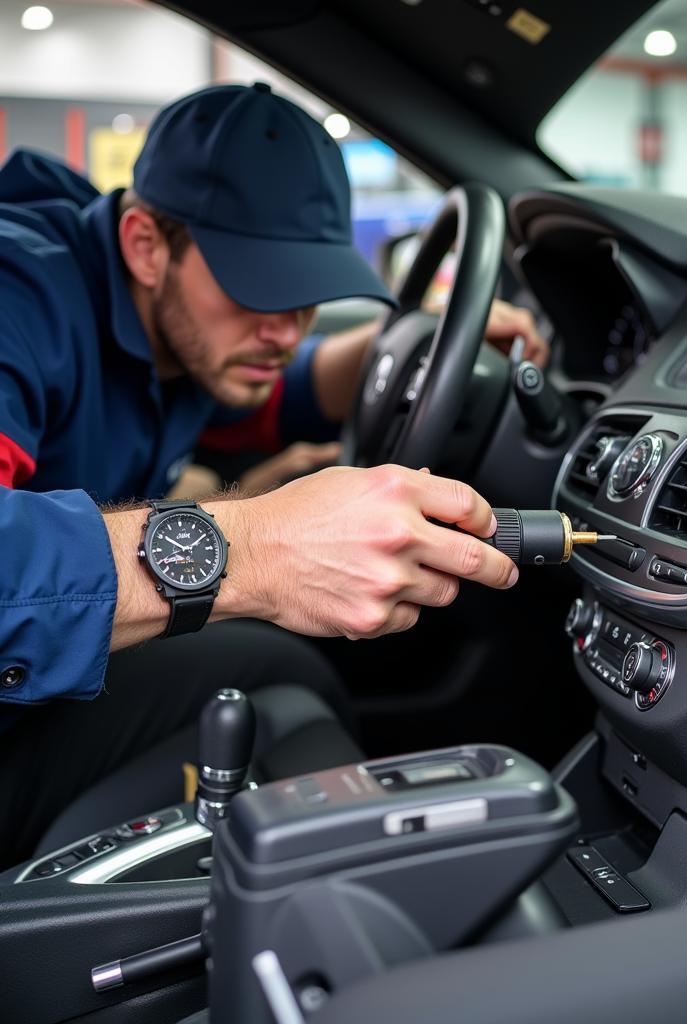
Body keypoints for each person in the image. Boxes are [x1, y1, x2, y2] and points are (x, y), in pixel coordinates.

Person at [0, 82, 547, 867]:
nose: (283, 332)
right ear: (146, 246)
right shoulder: (19, 296)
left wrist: (412, 349)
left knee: (282, 674)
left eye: (306, 295)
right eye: (257, 287)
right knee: (276, 683)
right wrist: (255, 548)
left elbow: (267, 397)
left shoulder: (180, 328)